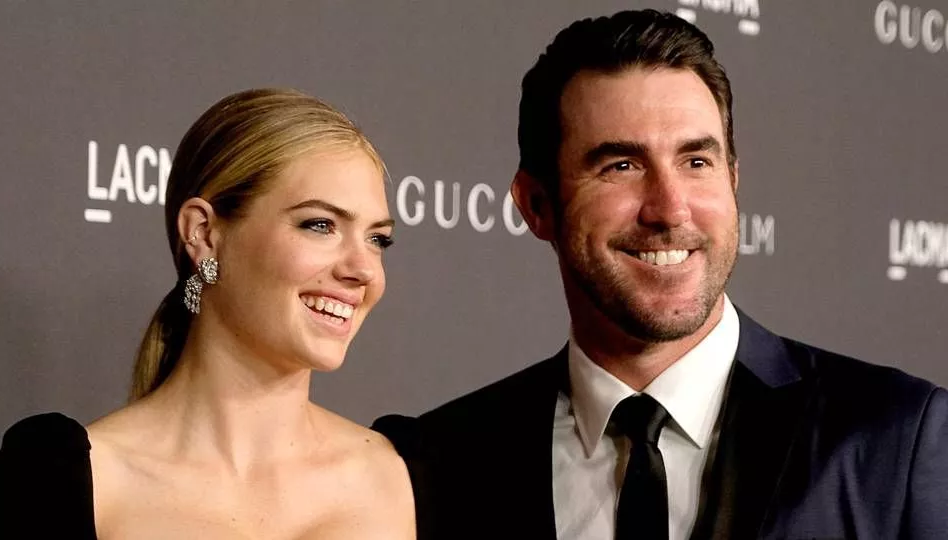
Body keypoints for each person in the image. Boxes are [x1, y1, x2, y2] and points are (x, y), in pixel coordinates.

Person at [374, 9, 948, 540]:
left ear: (734, 180)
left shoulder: (896, 440)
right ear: (536, 204)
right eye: (621, 166)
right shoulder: (440, 461)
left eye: (697, 162)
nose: (670, 209)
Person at [0, 88, 416, 539]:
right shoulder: (62, 484)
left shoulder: (409, 475)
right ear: (204, 233)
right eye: (320, 225)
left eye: (377, 239)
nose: (364, 269)